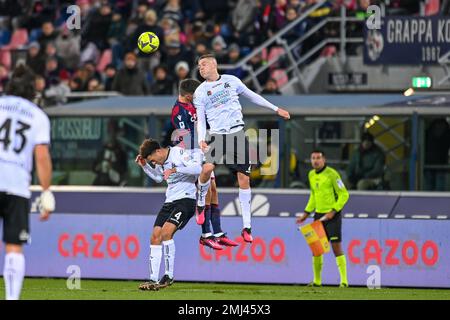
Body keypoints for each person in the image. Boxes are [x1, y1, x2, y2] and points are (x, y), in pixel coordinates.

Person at [194, 54, 291, 243]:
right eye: (199, 66)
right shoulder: (200, 92)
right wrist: (200, 139)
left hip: (237, 134)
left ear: (214, 64)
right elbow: (200, 119)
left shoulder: (232, 81)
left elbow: (253, 96)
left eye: (204, 64)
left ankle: (247, 227)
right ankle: (200, 203)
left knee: (244, 178)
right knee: (207, 168)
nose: (201, 68)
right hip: (217, 135)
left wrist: (275, 109)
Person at [0, 64, 55, 300]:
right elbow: (41, 155)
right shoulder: (37, 115)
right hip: (16, 186)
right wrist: (46, 191)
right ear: (33, 90)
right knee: (14, 247)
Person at [171, 79, 238, 250]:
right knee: (206, 190)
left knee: (213, 189)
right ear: (187, 95)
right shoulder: (178, 111)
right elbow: (183, 136)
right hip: (192, 153)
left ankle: (218, 233)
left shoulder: (195, 105)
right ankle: (205, 234)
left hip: (203, 150)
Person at [135, 138, 201, 291]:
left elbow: (198, 168)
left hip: (185, 200)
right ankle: (152, 278)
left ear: (158, 151)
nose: (154, 163)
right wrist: (145, 167)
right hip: (170, 201)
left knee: (166, 233)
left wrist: (176, 169)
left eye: (152, 160)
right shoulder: (161, 162)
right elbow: (159, 177)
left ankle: (169, 275)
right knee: (155, 236)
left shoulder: (179, 153)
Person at [296, 150, 349, 288]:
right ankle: (317, 281)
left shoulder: (332, 174)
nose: (315, 161)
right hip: (318, 216)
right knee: (316, 249)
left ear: (324, 159)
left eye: (318, 158)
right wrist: (306, 214)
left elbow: (344, 194)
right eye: (313, 158)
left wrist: (333, 211)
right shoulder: (311, 175)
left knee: (336, 247)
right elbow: (313, 196)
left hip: (333, 215)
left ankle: (344, 281)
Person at [424, 118, 450, 191]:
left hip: (429, 163)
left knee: (430, 188)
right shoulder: (447, 134)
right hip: (439, 164)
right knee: (439, 188)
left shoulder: (427, 133)